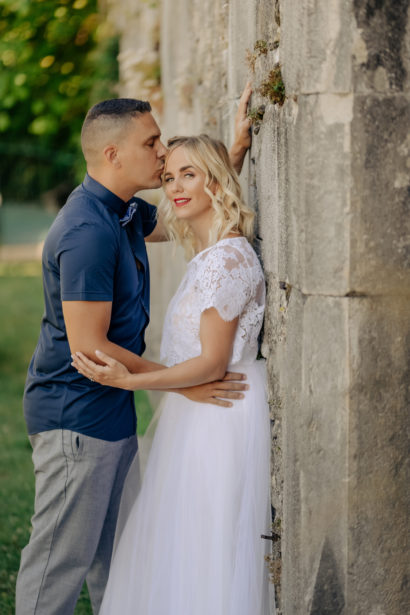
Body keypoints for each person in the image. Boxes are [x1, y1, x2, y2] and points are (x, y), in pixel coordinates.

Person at [16, 90, 252, 615]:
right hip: (75, 419)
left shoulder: (121, 213)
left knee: (120, 564)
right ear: (113, 155)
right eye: (152, 143)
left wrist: (226, 160)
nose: (164, 153)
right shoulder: (86, 232)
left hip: (112, 412)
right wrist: (183, 379)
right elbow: (91, 348)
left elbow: (179, 218)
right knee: (59, 565)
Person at [72, 134, 272, 614]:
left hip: (220, 416)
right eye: (168, 177)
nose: (175, 187)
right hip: (197, 414)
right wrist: (234, 149)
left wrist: (129, 380)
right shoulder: (209, 254)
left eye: (189, 174)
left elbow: (211, 364)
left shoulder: (225, 259)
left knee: (207, 551)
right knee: (185, 548)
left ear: (216, 182)